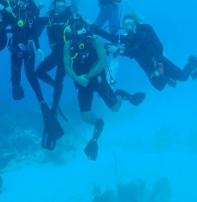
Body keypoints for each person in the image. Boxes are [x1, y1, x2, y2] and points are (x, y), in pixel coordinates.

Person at [63, 16, 147, 160]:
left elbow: (102, 62)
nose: (78, 28)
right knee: (85, 117)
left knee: (115, 108)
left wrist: (88, 76)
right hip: (82, 82)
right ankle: (99, 123)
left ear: (84, 25)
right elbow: (67, 67)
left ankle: (120, 94)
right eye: (74, 25)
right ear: (70, 28)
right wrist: (77, 78)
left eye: (80, 24)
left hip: (97, 79)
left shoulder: (95, 38)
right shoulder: (69, 45)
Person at [103, 13, 197, 90]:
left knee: (184, 77)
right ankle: (166, 76)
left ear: (136, 24)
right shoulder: (126, 38)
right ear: (123, 27)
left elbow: (136, 51)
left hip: (158, 60)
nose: (129, 27)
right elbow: (112, 37)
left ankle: (192, 61)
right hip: (147, 66)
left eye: (131, 24)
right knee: (160, 87)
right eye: (126, 25)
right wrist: (95, 29)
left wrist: (118, 50)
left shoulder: (143, 34)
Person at [35, 0, 76, 117]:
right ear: (54, 7)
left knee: (59, 80)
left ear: (65, 5)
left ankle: (54, 109)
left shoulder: (70, 18)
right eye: (57, 6)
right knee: (39, 72)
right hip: (56, 53)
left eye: (62, 6)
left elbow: (81, 28)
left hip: (67, 54)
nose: (60, 8)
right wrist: (37, 10)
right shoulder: (49, 18)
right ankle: (55, 86)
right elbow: (35, 21)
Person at [8, 0, 44, 102]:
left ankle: (41, 100)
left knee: (30, 76)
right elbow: (2, 23)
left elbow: (33, 32)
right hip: (15, 50)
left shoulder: (30, 14)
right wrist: (4, 12)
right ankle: (17, 89)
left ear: (29, 1)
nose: (23, 0)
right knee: (15, 78)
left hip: (28, 50)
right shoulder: (12, 11)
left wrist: (38, 47)